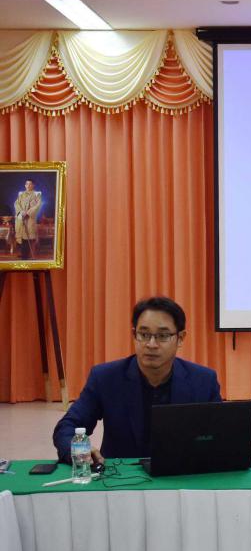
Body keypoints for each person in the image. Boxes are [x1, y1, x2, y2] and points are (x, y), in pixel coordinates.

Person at [52, 297, 221, 464]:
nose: (151, 344)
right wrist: (78, 449)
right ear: (134, 335)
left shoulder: (203, 381)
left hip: (181, 474)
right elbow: (67, 427)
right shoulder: (105, 378)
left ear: (181, 338)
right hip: (121, 476)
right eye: (144, 334)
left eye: (162, 336)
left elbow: (220, 436)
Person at [14, 178, 41, 259]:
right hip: (21, 218)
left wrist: (28, 213)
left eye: (30, 184)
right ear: (25, 185)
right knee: (21, 236)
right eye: (27, 184)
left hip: (30, 219)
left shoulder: (37, 195)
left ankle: (27, 256)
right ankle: (23, 255)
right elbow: (16, 204)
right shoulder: (21, 195)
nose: (28, 186)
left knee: (28, 236)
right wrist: (21, 212)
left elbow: (37, 206)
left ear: (33, 185)